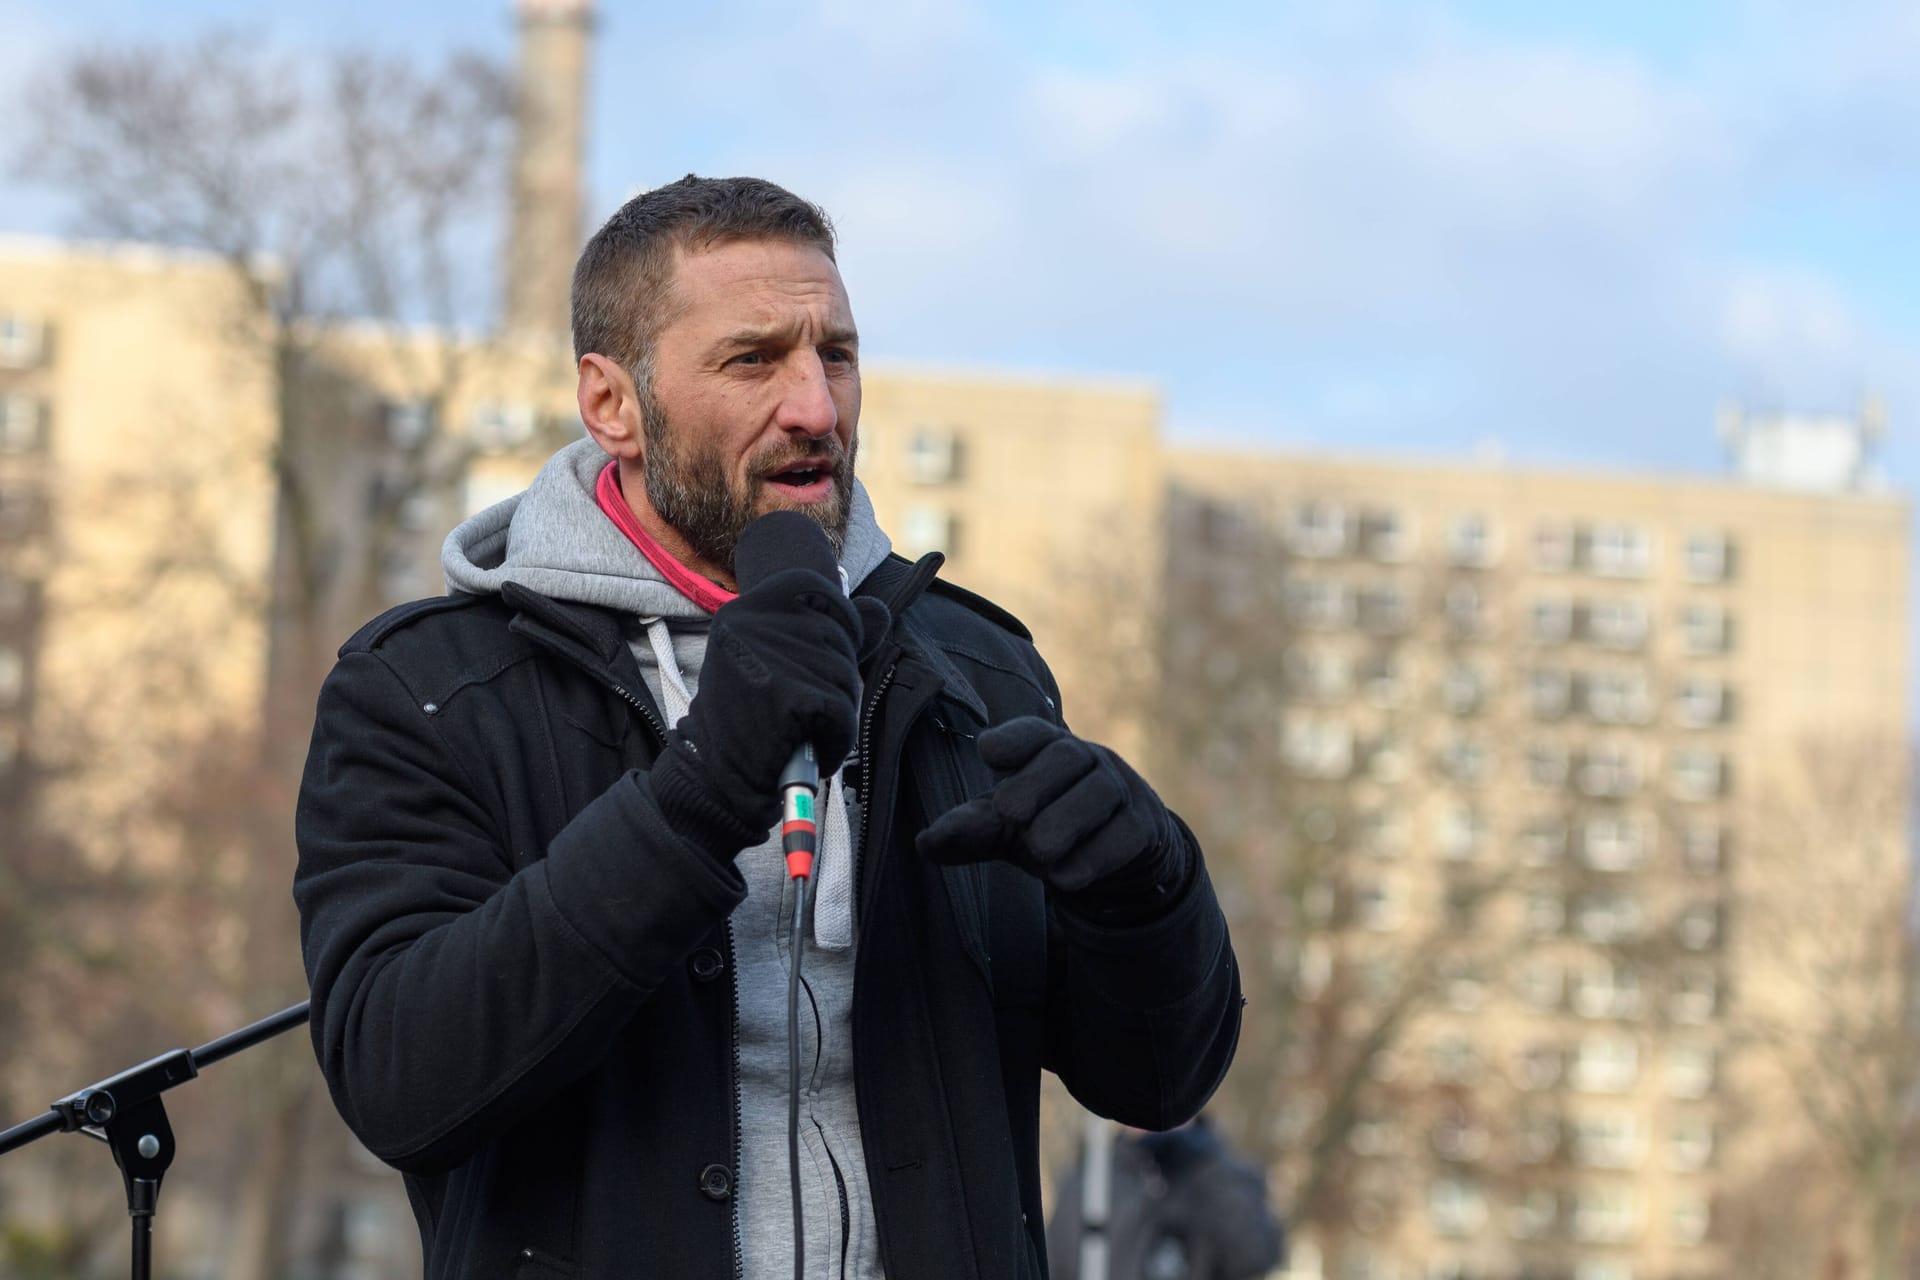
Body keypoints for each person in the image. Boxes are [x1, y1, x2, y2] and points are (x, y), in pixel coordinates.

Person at [293, 175, 1242, 1280]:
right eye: (754, 360)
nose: (816, 408)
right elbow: (400, 1078)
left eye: (834, 355)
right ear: (613, 405)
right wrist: (697, 794)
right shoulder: (429, 688)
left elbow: (1158, 1083)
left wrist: (1149, 894)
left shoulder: (974, 669)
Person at [1046, 1116, 1284, 1280]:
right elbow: (1053, 1266)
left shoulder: (1228, 1178)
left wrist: (1207, 1167)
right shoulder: (1088, 1184)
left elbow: (1255, 1257)